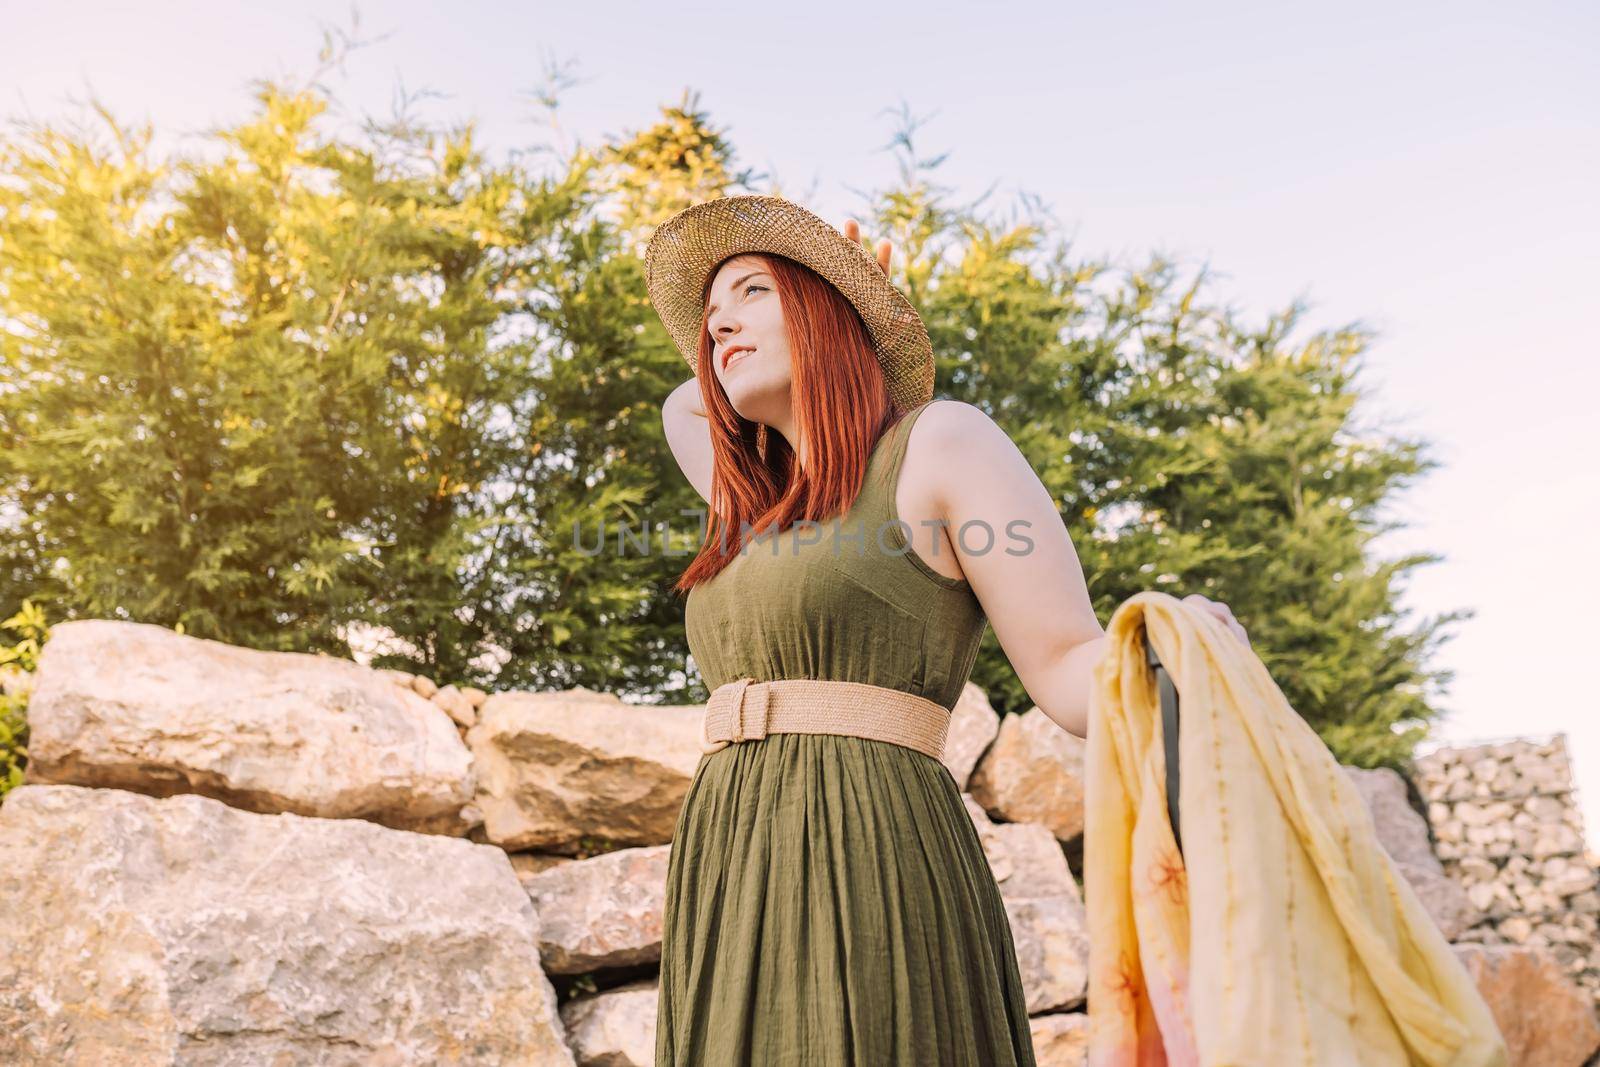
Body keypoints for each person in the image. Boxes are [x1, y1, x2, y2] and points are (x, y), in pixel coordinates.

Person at [644, 194, 1249, 1065]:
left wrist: (1165, 642)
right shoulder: (750, 504)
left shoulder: (941, 445)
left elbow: (1065, 666)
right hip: (728, 854)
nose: (717, 329)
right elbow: (683, 405)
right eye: (708, 317)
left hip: (869, 845)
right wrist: (810, 299)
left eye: (752, 292)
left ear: (823, 312)